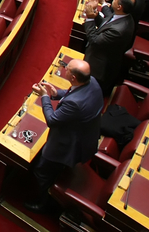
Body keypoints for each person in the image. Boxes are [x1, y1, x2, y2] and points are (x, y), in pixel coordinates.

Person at [25, 59, 103, 212]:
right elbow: (73, 93)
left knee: (41, 170)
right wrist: (56, 94)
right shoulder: (91, 81)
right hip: (85, 134)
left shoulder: (75, 103)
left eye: (67, 68)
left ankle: (42, 203)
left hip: (67, 145)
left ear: (73, 77)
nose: (64, 68)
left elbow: (52, 121)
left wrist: (44, 96)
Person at [82, 0, 136, 94]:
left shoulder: (119, 30)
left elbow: (94, 41)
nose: (112, 0)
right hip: (97, 56)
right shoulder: (123, 16)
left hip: (99, 68)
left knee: (88, 91)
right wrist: (94, 11)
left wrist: (89, 18)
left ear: (119, 7)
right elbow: (105, 24)